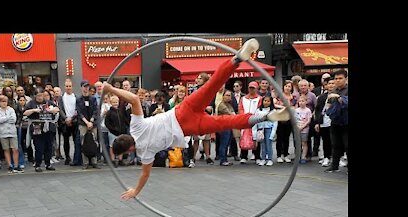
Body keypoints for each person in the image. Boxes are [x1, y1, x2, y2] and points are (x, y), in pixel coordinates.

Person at [102, 39, 290, 200]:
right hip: (182, 111)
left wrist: (135, 191)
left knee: (227, 122)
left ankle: (265, 116)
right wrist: (110, 89)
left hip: (188, 127)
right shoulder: (136, 126)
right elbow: (134, 98)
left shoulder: (144, 153)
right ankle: (236, 59)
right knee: (212, 85)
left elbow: (145, 174)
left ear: (130, 149)